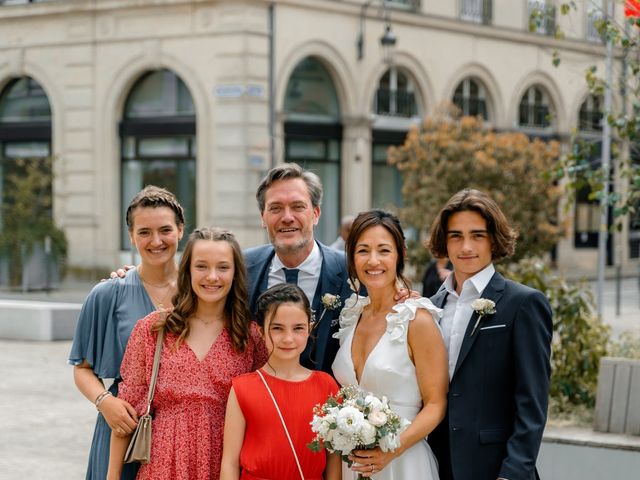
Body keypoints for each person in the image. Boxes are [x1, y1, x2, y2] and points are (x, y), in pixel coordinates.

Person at [107, 227, 268, 480]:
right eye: (201, 266)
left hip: (226, 465)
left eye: (223, 267)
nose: (212, 277)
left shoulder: (251, 336)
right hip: (163, 465)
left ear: (236, 273)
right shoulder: (154, 329)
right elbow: (127, 415)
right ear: (188, 271)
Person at [426, 189, 553, 480]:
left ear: (494, 239)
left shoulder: (523, 303)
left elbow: (532, 401)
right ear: (444, 241)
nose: (466, 246)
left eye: (478, 235)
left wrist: (512, 473)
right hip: (434, 464)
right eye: (456, 235)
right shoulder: (430, 308)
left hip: (495, 467)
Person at [68, 185, 185, 480]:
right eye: (144, 232)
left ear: (181, 231)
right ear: (131, 236)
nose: (156, 241)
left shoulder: (199, 292)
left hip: (183, 431)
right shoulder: (107, 294)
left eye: (165, 230)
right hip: (124, 425)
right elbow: (82, 368)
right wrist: (104, 402)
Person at [332, 209, 448, 480]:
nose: (373, 261)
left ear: (400, 254)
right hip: (354, 465)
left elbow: (435, 404)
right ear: (351, 257)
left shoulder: (416, 319)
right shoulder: (352, 315)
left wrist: (392, 450)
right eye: (363, 250)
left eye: (383, 250)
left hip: (403, 462)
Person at [220, 283, 341, 480]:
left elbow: (334, 460)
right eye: (277, 328)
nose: (288, 338)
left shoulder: (326, 386)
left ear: (309, 328)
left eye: (298, 328)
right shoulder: (242, 388)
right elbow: (230, 462)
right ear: (260, 331)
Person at [244, 163, 354, 373]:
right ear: (262, 218)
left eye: (297, 206)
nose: (287, 217)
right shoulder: (243, 268)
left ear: (316, 214)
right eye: (275, 208)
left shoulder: (352, 271)